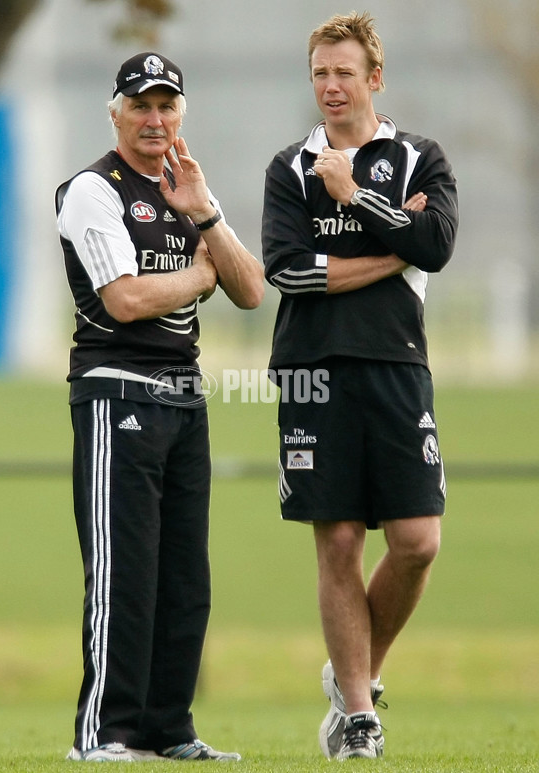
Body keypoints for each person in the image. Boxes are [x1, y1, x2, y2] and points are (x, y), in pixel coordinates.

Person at [56, 51, 264, 763]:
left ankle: (169, 729)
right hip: (117, 393)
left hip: (185, 399)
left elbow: (250, 289)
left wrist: (205, 213)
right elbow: (125, 299)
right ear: (114, 110)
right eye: (141, 105)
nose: (155, 118)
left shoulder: (188, 189)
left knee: (184, 579)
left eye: (166, 105)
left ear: (182, 113)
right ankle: (106, 733)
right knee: (125, 574)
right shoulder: (92, 189)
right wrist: (197, 271)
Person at [262, 12, 458, 761]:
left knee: (417, 540)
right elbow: (286, 270)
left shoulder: (418, 158)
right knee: (339, 537)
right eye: (319, 72)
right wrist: (392, 249)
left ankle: (354, 675)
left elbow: (436, 242)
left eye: (343, 72)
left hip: (398, 365)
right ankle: (356, 715)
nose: (330, 86)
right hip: (311, 370)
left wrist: (353, 196)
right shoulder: (290, 168)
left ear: (375, 78)